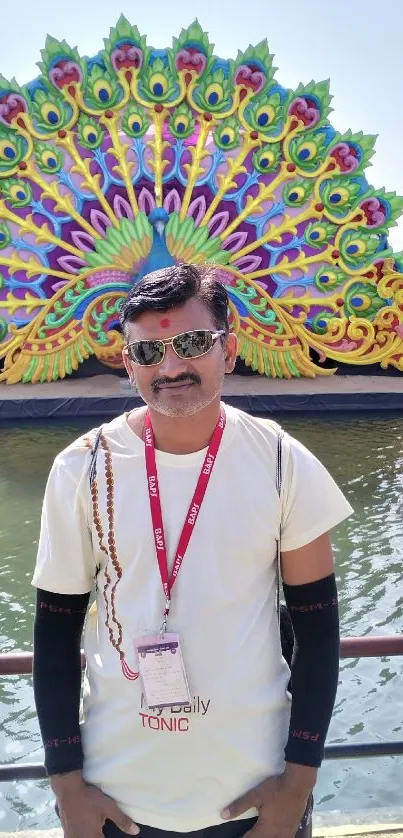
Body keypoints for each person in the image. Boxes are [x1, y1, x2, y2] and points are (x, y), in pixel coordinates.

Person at [32, 263, 353, 838]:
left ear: (228, 350)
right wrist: (67, 788)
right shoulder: (81, 468)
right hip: (117, 801)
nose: (172, 365)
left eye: (192, 343)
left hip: (255, 798)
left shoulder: (283, 463)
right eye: (149, 351)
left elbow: (318, 632)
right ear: (128, 364)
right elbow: (54, 636)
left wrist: (297, 789)